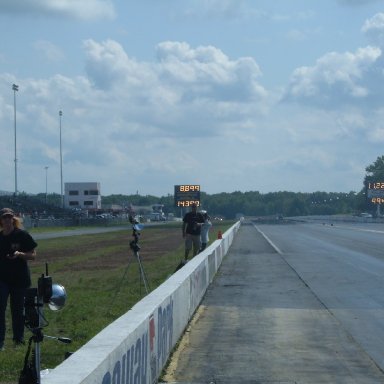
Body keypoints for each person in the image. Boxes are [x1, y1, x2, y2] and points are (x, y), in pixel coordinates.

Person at [0, 208, 37, 351]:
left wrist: (20, 254)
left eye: (10, 217)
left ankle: (18, 339)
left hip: (19, 280)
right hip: (2, 279)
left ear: (13, 219)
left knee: (17, 310)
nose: (8, 220)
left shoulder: (21, 235)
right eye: (5, 217)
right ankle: (0, 342)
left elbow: (33, 255)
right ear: (1, 220)